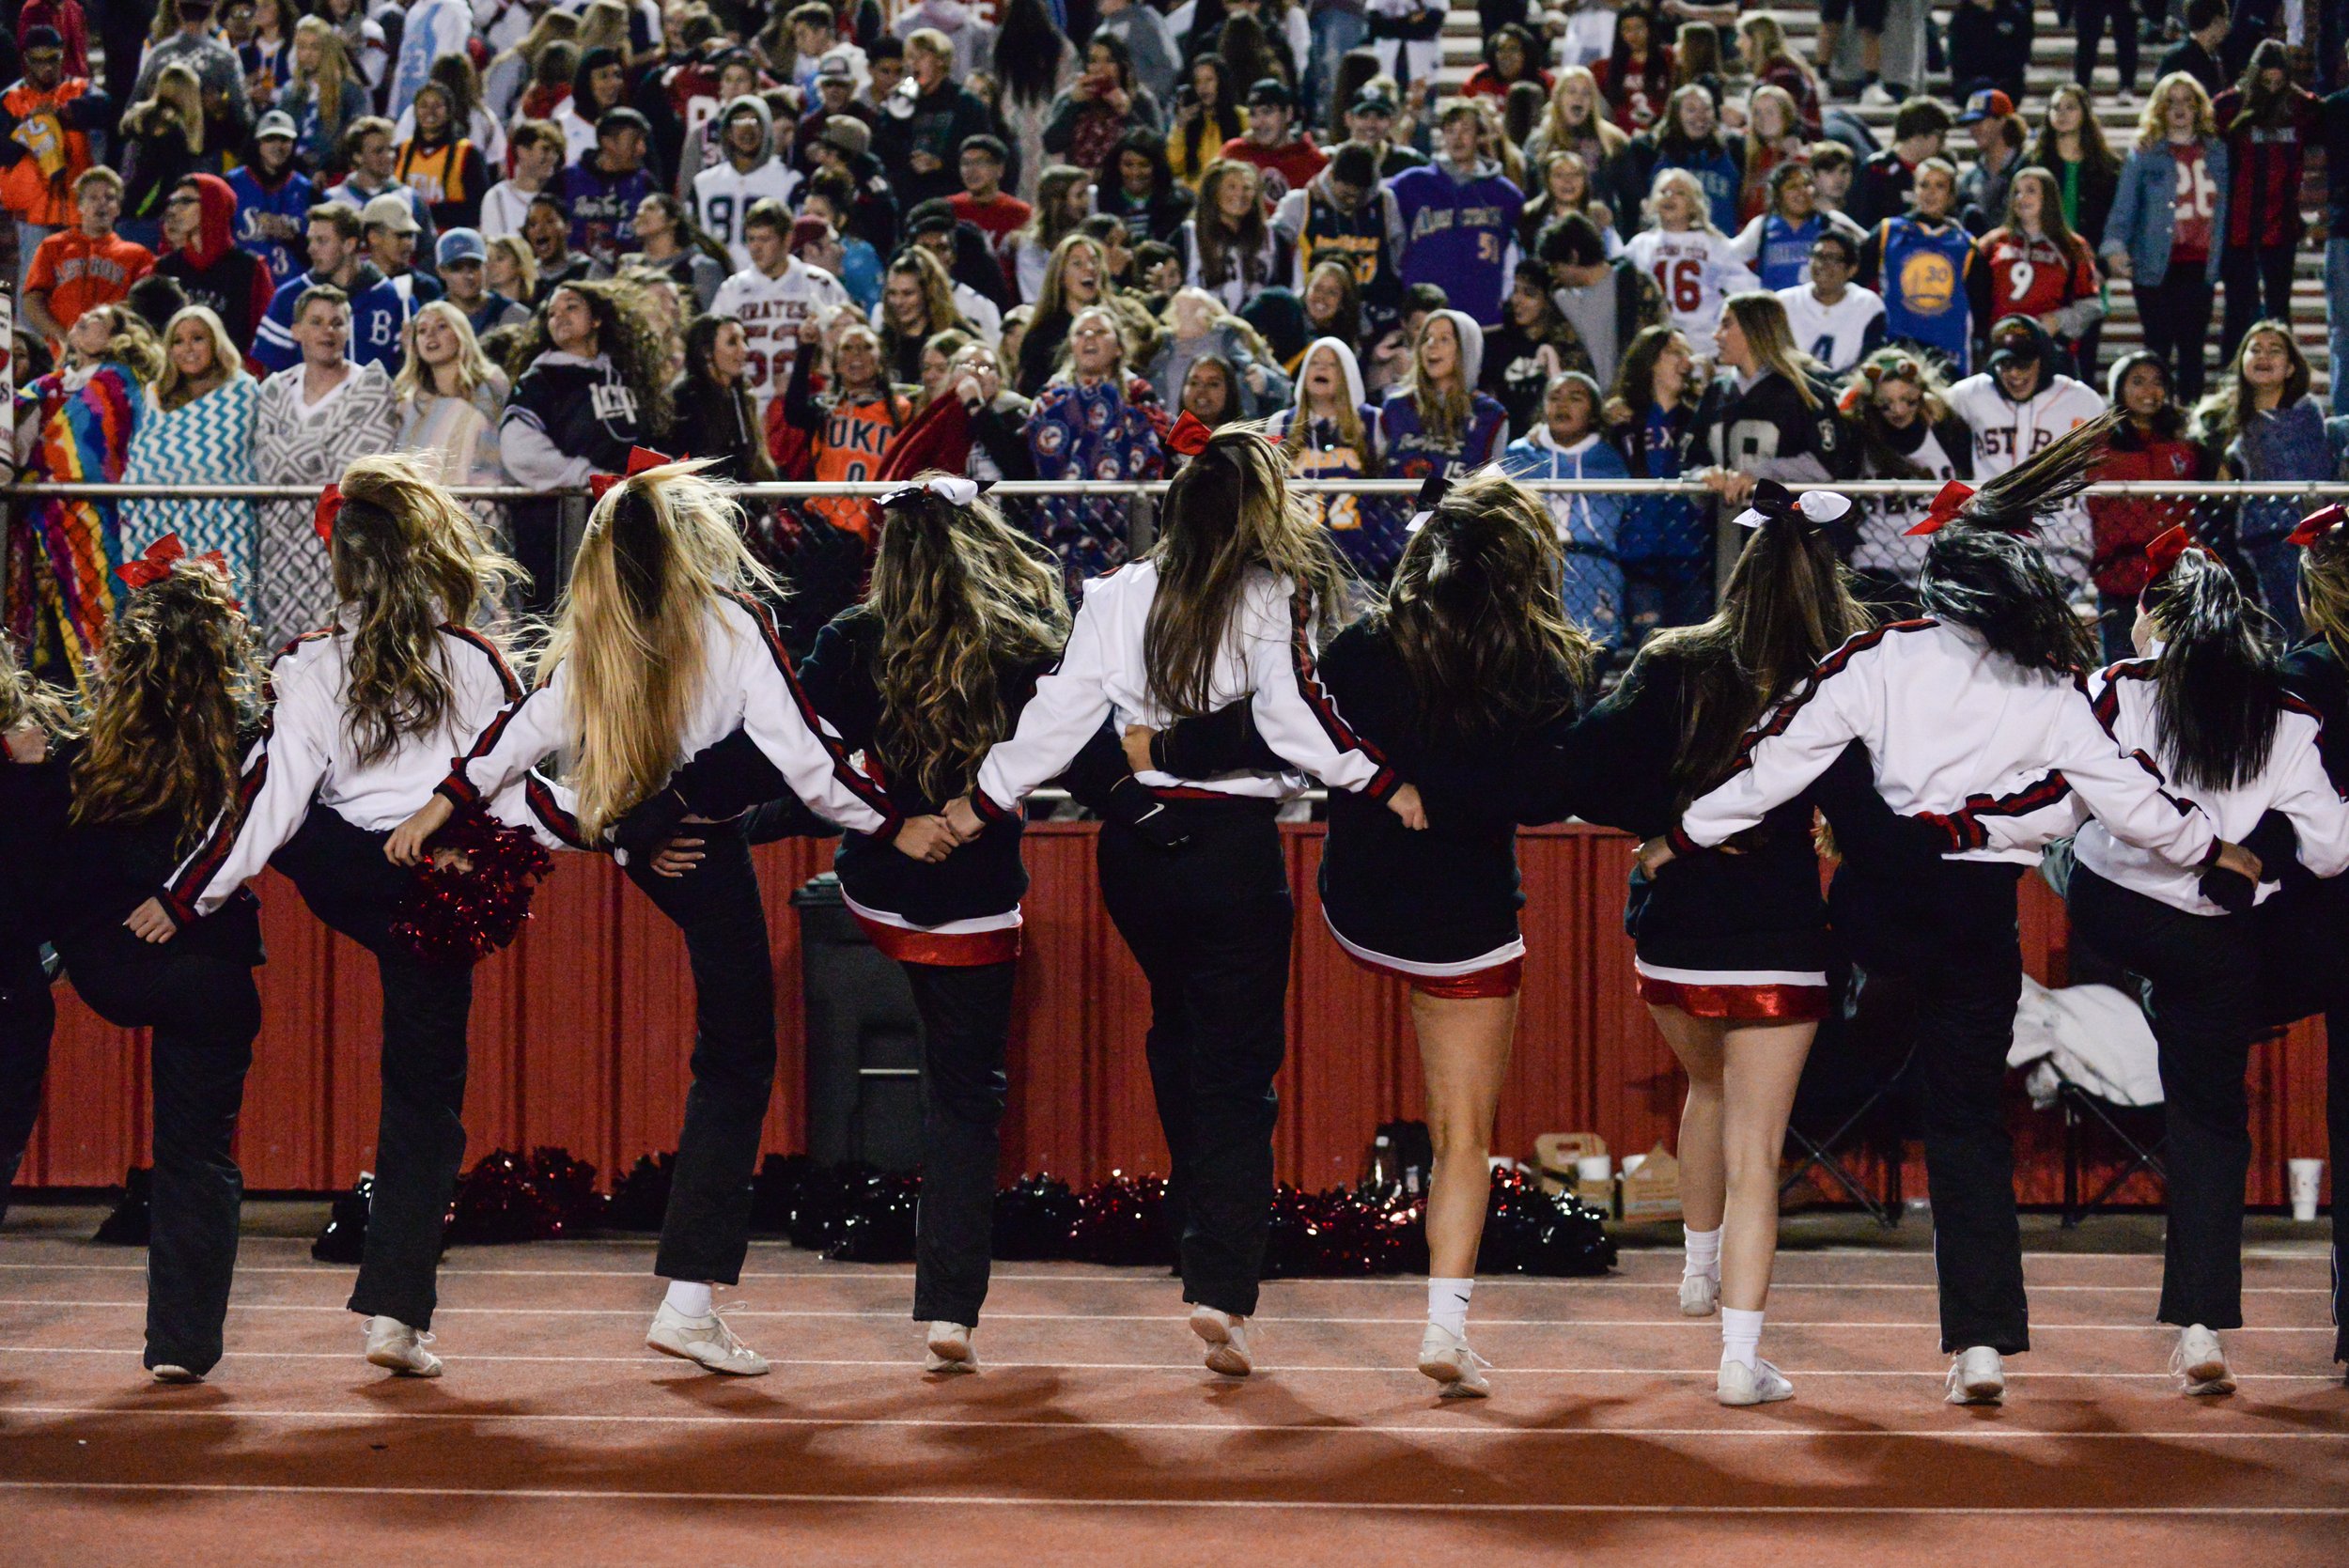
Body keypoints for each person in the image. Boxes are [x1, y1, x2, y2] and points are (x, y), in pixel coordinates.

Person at [1652, 418, 2257, 1409]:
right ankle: (1977, 1344)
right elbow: (2133, 805)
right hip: (1975, 915)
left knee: (1797, 1083)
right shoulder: (2054, 689)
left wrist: (1677, 836)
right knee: (1965, 1120)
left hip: (1872, 909)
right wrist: (2209, 848)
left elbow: (1773, 770)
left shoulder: (1877, 658)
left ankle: (1716, 1268)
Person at [392, 458, 919, 1379]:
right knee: (739, 1055)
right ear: (690, 541)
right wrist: (892, 821)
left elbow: (510, 744)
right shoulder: (730, 621)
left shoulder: (599, 631)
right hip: (694, 847)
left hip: (654, 842)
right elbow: (803, 756)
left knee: (730, 1029)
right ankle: (687, 1301)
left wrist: (445, 811)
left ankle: (689, 1298)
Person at [946, 425, 1420, 1379]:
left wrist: (982, 797)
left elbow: (1058, 716)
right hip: (1233, 849)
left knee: (1178, 1033)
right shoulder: (1265, 591)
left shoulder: (1114, 593)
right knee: (1239, 1073)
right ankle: (1220, 1287)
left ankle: (1198, 1230)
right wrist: (1376, 780)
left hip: (1136, 856)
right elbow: (1289, 719)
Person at [1147, 472, 1591, 1394]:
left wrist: (1164, 748)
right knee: (1462, 1132)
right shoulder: (1543, 661)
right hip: (1463, 918)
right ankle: (1444, 1330)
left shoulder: (1362, 645)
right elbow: (1557, 789)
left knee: (1236, 1065)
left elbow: (1280, 727)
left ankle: (1222, 1278)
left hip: (1356, 901)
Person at [161, 454, 553, 1380]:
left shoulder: (304, 661)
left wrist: (188, 895)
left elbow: (271, 807)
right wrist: (600, 838)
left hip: (342, 874)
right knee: (425, 1102)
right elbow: (516, 787)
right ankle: (395, 1317)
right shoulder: (472, 659)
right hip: (429, 889)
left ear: (340, 565)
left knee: (286, 802)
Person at [1570, 479, 1885, 1404]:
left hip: (1676, 929)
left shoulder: (1673, 659)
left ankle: (1695, 1275)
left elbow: (1584, 769)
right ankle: (1740, 1361)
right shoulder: (1833, 675)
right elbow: (1866, 816)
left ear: (1737, 566)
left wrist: (1668, 825)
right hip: (1777, 931)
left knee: (1705, 1087)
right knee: (1758, 1148)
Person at [2066, 539, 2349, 1397]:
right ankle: (2199, 1328)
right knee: (2210, 1122)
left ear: (2154, 614)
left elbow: (2059, 802)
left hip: (2117, 909)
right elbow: (2333, 851)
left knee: (2067, 848)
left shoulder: (2118, 685)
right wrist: (2251, 865)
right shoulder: (2286, 717)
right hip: (2217, 937)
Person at [32, 557, 267, 1383]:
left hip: (108, 964)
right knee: (196, 1157)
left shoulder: (83, 751)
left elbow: (39, 857)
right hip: (208, 970)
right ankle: (182, 1346)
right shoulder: (243, 750)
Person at [4, 303, 160, 687]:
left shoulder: (120, 381)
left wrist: (52, 455)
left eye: (96, 320)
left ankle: (105, 712)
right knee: (33, 624)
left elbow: (106, 448)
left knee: (99, 620)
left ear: (116, 337)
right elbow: (15, 449)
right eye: (83, 317)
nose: (81, 320)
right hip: (34, 520)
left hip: (91, 515)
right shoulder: (43, 386)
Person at [252, 285, 398, 646]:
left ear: (349, 330)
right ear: (296, 330)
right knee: (283, 656)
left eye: (337, 323)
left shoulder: (372, 385)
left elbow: (357, 471)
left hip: (347, 541)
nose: (327, 331)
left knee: (348, 647)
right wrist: (330, 444)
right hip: (280, 548)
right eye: (316, 322)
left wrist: (295, 451)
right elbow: (268, 465)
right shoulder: (274, 388)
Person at [498, 280, 664, 597]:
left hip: (626, 524)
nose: (559, 316)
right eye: (551, 313)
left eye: (571, 307)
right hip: (562, 530)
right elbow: (519, 448)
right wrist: (583, 476)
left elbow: (640, 438)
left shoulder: (625, 376)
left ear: (597, 319)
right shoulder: (539, 381)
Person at [1946, 317, 2108, 598]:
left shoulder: (2083, 400)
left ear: (2043, 359)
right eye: (2005, 364)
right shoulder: (1968, 394)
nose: (2014, 374)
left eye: (2023, 364)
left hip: (2060, 540)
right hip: (1992, 538)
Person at [1020, 303, 1169, 585]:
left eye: (1099, 331)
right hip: (1061, 527)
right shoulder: (1049, 397)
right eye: (1081, 332)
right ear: (1071, 345)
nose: (1089, 338)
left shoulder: (1140, 395)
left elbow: (1156, 445)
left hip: (1126, 526)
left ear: (1118, 347)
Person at [2103, 73, 2229, 404]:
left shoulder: (2217, 151)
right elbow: (2125, 204)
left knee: (2192, 348)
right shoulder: (2145, 152)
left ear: (2199, 107)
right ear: (2159, 108)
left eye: (2188, 101)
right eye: (2171, 101)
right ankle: (2155, 417)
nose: (2180, 109)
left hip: (2199, 264)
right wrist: (2115, 246)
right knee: (2157, 346)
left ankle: (2188, 421)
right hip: (2154, 262)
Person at [120, 305, 259, 590]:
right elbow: (142, 458)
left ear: (216, 342)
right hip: (156, 524)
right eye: (178, 341)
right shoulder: (154, 394)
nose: (188, 348)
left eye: (198, 338)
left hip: (223, 523)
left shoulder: (241, 390)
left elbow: (225, 457)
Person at [2204, 323, 2328, 642]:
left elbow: (2314, 468)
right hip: (2248, 542)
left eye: (2275, 350)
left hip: (2306, 538)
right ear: (2242, 361)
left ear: (2289, 367)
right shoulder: (2219, 417)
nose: (2264, 356)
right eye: (2255, 349)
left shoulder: (2306, 413)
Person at [1501, 369, 1630, 651]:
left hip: (1593, 570)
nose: (1562, 405)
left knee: (1593, 654)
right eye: (1554, 397)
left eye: (1575, 398)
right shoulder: (1520, 452)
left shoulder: (1610, 459)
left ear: (1594, 414)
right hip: (1534, 567)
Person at [2210, 42, 2316, 369]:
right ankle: (2231, 379)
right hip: (2237, 227)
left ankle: (2282, 381)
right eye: (2266, 82)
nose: (2272, 89)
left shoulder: (2302, 106)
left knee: (2278, 312)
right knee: (2238, 309)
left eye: (2278, 82)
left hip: (2282, 226)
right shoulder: (2228, 106)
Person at [1842, 349, 1973, 612]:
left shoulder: (1946, 426)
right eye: (1886, 403)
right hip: (1875, 564)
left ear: (1922, 394)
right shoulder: (1857, 431)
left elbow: (1965, 485)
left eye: (1908, 400)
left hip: (1935, 562)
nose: (1899, 410)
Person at [709, 197, 853, 428]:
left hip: (804, 409)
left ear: (787, 239)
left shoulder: (819, 284)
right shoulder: (733, 289)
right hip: (750, 410)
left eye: (765, 239)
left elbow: (847, 341)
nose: (756, 248)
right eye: (751, 239)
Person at [1391, 103, 1525, 330]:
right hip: (1424, 318)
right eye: (1450, 130)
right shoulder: (1411, 183)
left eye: (1466, 129)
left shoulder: (1506, 194)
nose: (1457, 137)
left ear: (1479, 135)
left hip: (1482, 316)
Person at [780, 312, 913, 540]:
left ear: (881, 360)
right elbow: (793, 411)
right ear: (836, 365)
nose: (856, 354)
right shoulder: (825, 408)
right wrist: (806, 350)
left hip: (879, 525)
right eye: (848, 348)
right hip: (824, 525)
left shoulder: (902, 410)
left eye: (866, 347)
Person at [1, 26, 112, 294]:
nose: (46, 67)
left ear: (62, 56)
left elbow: (107, 111)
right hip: (33, 211)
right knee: (33, 285)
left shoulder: (79, 89)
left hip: (77, 207)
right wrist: (28, 125)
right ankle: (25, 338)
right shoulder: (10, 98)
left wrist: (61, 114)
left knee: (77, 288)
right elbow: (4, 152)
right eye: (39, 60)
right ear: (26, 59)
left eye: (52, 59)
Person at [1268, 334, 1391, 578]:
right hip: (1298, 555)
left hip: (1358, 556)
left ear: (1348, 375)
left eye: (1332, 364)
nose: (1322, 368)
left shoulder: (1373, 421)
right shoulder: (1279, 423)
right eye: (1314, 362)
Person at [1967, 168, 2104, 377]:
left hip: (2050, 352)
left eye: (2030, 190)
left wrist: (2058, 321)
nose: (2022, 197)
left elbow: (2092, 305)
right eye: (2016, 192)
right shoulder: (1992, 242)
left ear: (2048, 198)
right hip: (2000, 349)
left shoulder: (2072, 246)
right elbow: (1972, 296)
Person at [253, 202, 410, 375]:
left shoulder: (394, 297)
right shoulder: (289, 297)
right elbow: (272, 370)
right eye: (310, 240)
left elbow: (407, 368)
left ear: (349, 245)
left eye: (321, 241)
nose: (311, 249)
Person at [1859, 159, 1981, 374]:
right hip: (1897, 348)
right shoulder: (1888, 232)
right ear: (1914, 190)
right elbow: (1857, 279)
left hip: (1948, 355)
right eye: (1924, 185)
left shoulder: (1966, 244)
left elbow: (1979, 307)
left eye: (1940, 186)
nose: (1930, 192)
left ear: (1951, 195)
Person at [1622, 168, 1749, 363]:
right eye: (1663, 192)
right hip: (1657, 344)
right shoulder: (1641, 245)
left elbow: (1744, 287)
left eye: (1679, 192)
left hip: (1703, 343)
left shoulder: (1713, 243)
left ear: (1694, 204)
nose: (1669, 197)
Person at [23, 168, 152, 347]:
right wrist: (62, 337)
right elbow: (32, 299)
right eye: (93, 198)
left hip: (113, 353)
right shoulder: (53, 246)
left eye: (110, 198)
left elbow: (143, 307)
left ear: (118, 209)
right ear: (80, 206)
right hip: (60, 355)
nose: (102, 204)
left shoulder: (138, 255)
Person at [1377, 309, 1508, 485]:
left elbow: (1493, 487)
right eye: (1427, 338)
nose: (1431, 345)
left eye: (1444, 339)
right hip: (1398, 511)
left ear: (1466, 350)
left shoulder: (1490, 415)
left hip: (1459, 511)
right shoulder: (1395, 408)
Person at [876, 29, 998, 211]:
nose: (913, 63)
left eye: (921, 57)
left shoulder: (966, 104)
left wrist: (941, 164)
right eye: (910, 57)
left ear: (940, 60)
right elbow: (883, 148)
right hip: (908, 201)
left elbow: (983, 152)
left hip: (953, 199)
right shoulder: (901, 101)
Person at [392, 301, 509, 488]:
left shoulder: (492, 383)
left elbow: (502, 449)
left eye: (441, 326)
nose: (430, 335)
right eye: (422, 330)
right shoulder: (409, 402)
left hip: (483, 497)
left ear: (460, 333)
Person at [1613, 84, 1745, 240]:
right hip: (1667, 248)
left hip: (1719, 248)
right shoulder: (1649, 150)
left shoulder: (1733, 147)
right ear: (1676, 114)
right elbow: (1636, 208)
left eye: (1706, 109)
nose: (1700, 116)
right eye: (1691, 110)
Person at [690, 97, 799, 273]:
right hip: (715, 280)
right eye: (739, 121)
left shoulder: (790, 181)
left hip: (769, 280)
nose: (747, 129)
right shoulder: (703, 183)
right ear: (727, 131)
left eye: (755, 121)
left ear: (767, 128)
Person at [665, 313, 778, 483]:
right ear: (706, 352)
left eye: (744, 340)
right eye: (732, 342)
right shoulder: (684, 398)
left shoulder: (743, 395)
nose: (744, 349)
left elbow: (755, 460)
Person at [1729, 163, 1866, 294]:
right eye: (1793, 186)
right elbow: (1727, 257)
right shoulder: (1762, 226)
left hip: (1818, 312)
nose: (1802, 192)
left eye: (1807, 185)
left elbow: (1869, 247)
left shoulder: (1830, 223)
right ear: (1777, 194)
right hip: (1776, 313)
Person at [1172, 159, 1287, 313]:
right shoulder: (1188, 237)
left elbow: (1285, 291)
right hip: (1202, 329)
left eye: (1247, 188)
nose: (1240, 194)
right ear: (1214, 192)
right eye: (1231, 187)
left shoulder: (1273, 238)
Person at [559, 107, 660, 269]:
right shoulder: (566, 179)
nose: (642, 149)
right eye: (634, 141)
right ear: (608, 142)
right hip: (574, 277)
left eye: (643, 141)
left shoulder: (645, 182)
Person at [1776, 228, 1885, 374]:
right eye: (1818, 256)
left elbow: (1868, 361)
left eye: (1833, 259)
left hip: (1845, 389)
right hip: (1790, 386)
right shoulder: (1784, 301)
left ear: (1852, 269)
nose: (1822, 264)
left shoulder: (1868, 304)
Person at [226, 111, 314, 288]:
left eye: (284, 139)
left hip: (292, 290)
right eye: (270, 139)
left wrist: (293, 237)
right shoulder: (230, 185)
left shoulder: (309, 191)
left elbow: (320, 254)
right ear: (258, 143)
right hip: (242, 287)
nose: (277, 146)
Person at [393, 81, 490, 235]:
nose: (430, 112)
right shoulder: (401, 151)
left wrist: (424, 212)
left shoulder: (467, 153)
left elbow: (477, 210)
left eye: (437, 106)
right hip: (406, 241)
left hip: (451, 241)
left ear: (449, 111)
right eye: (423, 106)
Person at [1218, 77, 1325, 204]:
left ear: (1289, 113)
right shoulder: (1235, 154)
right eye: (1253, 114)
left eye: (1267, 112)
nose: (1259, 122)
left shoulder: (1314, 164)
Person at [281, 16, 366, 178]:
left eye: (315, 47)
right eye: (302, 47)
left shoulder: (348, 89)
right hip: (292, 172)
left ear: (328, 50)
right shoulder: (290, 90)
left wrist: (327, 167)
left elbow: (354, 138)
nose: (307, 54)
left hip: (332, 174)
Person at [1850, 98, 1952, 231]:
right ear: (1919, 134)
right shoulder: (1877, 169)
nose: (1943, 145)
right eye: (1940, 137)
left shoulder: (1939, 169)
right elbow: (1861, 220)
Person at [631, 194, 727, 313]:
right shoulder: (631, 265)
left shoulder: (702, 267)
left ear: (673, 220)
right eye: (638, 209)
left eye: (650, 208)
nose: (640, 213)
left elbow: (714, 319)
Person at [481, 119, 564, 243]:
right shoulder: (497, 197)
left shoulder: (560, 195)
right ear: (522, 152)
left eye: (556, 151)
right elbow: (492, 248)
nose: (553, 157)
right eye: (545, 149)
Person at [436, 228, 528, 337]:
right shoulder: (429, 319)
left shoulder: (514, 315)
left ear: (485, 266)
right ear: (441, 271)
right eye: (457, 268)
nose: (468, 276)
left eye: (474, 265)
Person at [1947, 0, 2033, 105]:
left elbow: (2021, 54)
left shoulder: (2014, 14)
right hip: (1971, 85)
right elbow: (1957, 61)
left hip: (2006, 85)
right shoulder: (1961, 18)